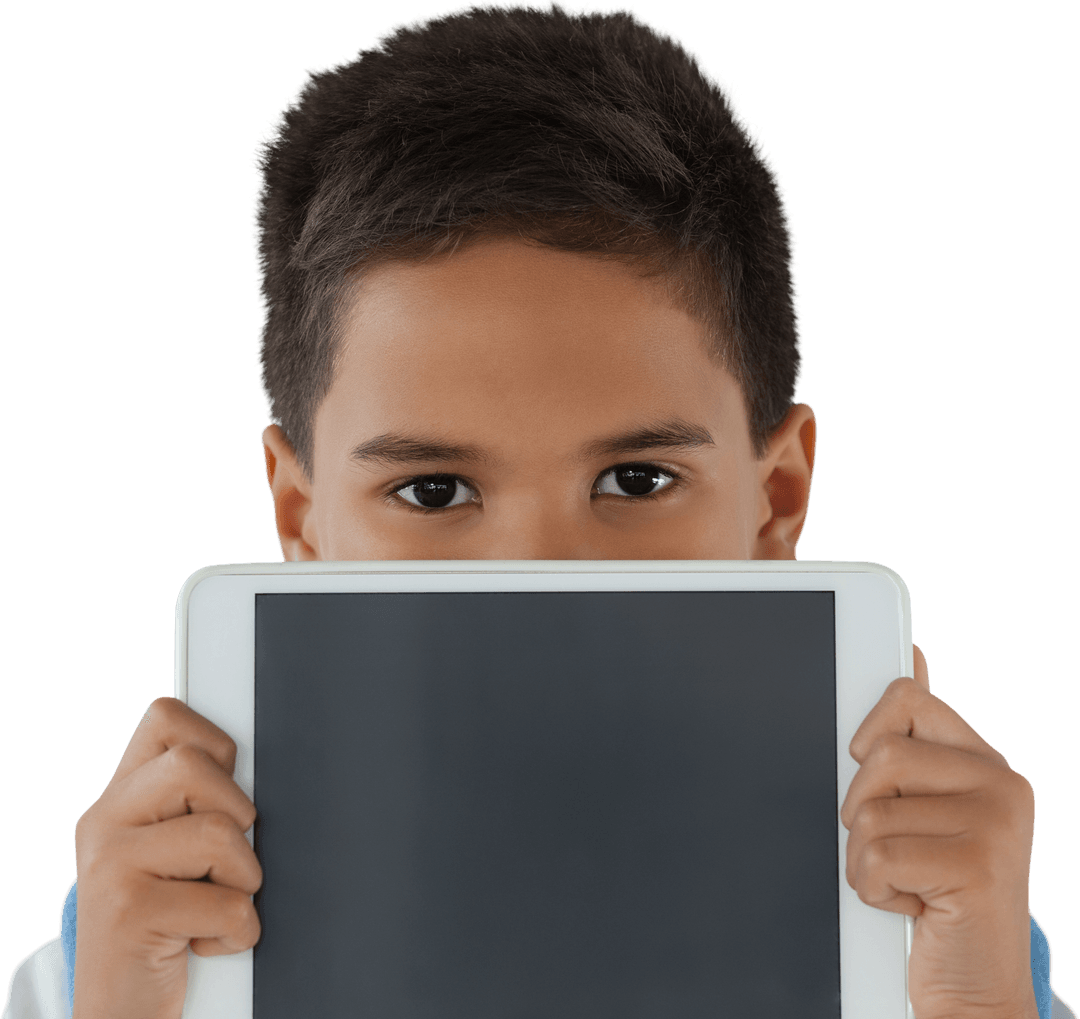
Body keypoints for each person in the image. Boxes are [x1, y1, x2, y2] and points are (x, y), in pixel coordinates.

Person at [3, 2, 1073, 1017]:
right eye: (432, 491)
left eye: (637, 480)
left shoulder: (937, 949)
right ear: (302, 517)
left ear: (776, 496)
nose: (542, 570)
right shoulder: (131, 968)